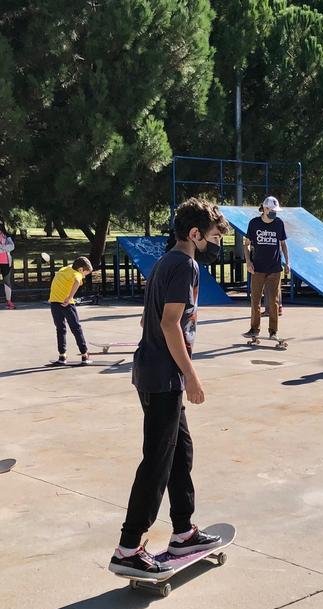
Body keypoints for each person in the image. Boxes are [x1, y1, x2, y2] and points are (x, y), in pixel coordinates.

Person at [109, 197, 229, 578]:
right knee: (157, 462)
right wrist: (191, 375)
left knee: (181, 453)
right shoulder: (185, 265)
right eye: (212, 237)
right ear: (194, 235)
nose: (216, 245)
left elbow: (149, 320)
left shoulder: (167, 261)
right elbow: (168, 323)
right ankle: (128, 547)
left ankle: (183, 531)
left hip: (157, 372)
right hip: (163, 377)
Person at [245, 196, 289, 338]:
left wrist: (288, 262)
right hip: (257, 268)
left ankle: (273, 332)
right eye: (272, 210)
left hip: (275, 268)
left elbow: (283, 244)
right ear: (265, 209)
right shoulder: (254, 223)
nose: (274, 213)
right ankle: (254, 330)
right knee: (255, 300)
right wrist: (248, 262)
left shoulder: (279, 223)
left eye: (276, 211)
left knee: (273, 301)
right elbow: (246, 244)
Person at [48, 256, 94, 364]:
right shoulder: (77, 274)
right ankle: (84, 354)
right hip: (67, 304)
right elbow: (77, 282)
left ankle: (62, 356)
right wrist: (69, 297)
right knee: (76, 328)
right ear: (81, 269)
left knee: (60, 329)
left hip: (54, 302)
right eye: (86, 273)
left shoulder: (65, 269)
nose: (85, 276)